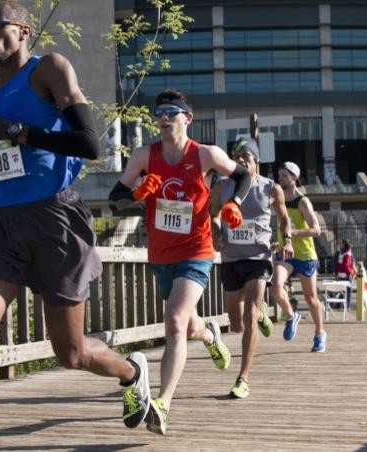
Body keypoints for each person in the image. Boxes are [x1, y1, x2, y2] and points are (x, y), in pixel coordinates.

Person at [0, 2, 150, 450]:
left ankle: (131, 373)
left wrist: (13, 129)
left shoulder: (49, 70)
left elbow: (89, 144)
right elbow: (8, 158)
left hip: (55, 220)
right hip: (3, 226)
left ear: (23, 31)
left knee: (71, 353)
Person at [108, 89, 251, 434]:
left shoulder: (205, 154)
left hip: (196, 251)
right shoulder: (144, 155)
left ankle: (162, 404)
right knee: (187, 327)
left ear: (188, 118)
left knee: (173, 321)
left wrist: (234, 203)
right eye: (159, 113)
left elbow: (243, 176)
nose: (164, 118)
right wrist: (137, 194)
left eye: (171, 112)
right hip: (161, 255)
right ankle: (209, 335)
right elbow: (114, 199)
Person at [209, 137, 293, 399]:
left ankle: (242, 378)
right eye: (236, 156)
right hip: (231, 259)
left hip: (258, 257)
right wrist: (216, 234)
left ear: (257, 160)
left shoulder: (270, 188)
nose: (241, 160)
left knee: (250, 314)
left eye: (246, 156)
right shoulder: (222, 186)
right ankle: (261, 314)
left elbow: (284, 218)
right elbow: (213, 215)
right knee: (236, 324)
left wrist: (287, 239)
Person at [269, 162, 327, 353]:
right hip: (286, 253)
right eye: (279, 175)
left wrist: (292, 233)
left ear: (294, 177)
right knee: (276, 286)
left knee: (311, 298)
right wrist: (279, 241)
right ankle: (291, 315)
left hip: (305, 255)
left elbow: (316, 230)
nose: (280, 179)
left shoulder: (303, 202)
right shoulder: (278, 201)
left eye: (284, 175)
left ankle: (319, 334)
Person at [334, 240, 357, 309]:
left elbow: (337, 264)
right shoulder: (348, 254)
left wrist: (337, 273)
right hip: (346, 275)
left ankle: (338, 305)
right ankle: (347, 306)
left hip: (340, 274)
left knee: (341, 290)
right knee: (348, 291)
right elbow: (346, 265)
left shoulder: (340, 254)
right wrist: (351, 272)